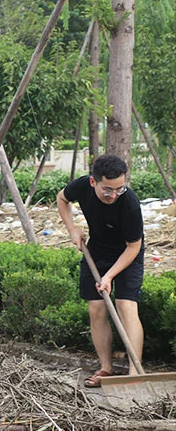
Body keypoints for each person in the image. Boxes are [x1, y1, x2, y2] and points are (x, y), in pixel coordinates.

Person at [56, 154, 144, 387]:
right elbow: (62, 198)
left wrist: (109, 276)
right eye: (107, 190)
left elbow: (133, 247)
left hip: (127, 254)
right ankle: (106, 368)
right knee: (96, 308)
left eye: (119, 189)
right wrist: (72, 229)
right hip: (97, 251)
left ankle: (135, 373)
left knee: (126, 306)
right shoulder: (81, 186)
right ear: (93, 182)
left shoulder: (129, 203)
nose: (113, 195)